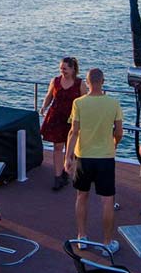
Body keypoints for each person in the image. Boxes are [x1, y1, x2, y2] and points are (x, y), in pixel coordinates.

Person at [67, 68, 124, 253]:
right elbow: (119, 131)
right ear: (103, 81)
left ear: (87, 81)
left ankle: (82, 237)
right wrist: (113, 143)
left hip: (84, 156)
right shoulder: (113, 103)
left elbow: (74, 132)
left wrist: (68, 156)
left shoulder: (79, 103)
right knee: (107, 201)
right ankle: (107, 243)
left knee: (81, 196)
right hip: (105, 157)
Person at [39, 57, 83, 191]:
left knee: (71, 149)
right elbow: (49, 96)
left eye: (65, 69)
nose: (62, 71)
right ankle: (58, 177)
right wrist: (43, 107)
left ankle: (66, 171)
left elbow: (85, 101)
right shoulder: (56, 81)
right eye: (61, 69)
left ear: (72, 69)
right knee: (58, 147)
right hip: (56, 117)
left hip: (72, 119)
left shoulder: (80, 84)